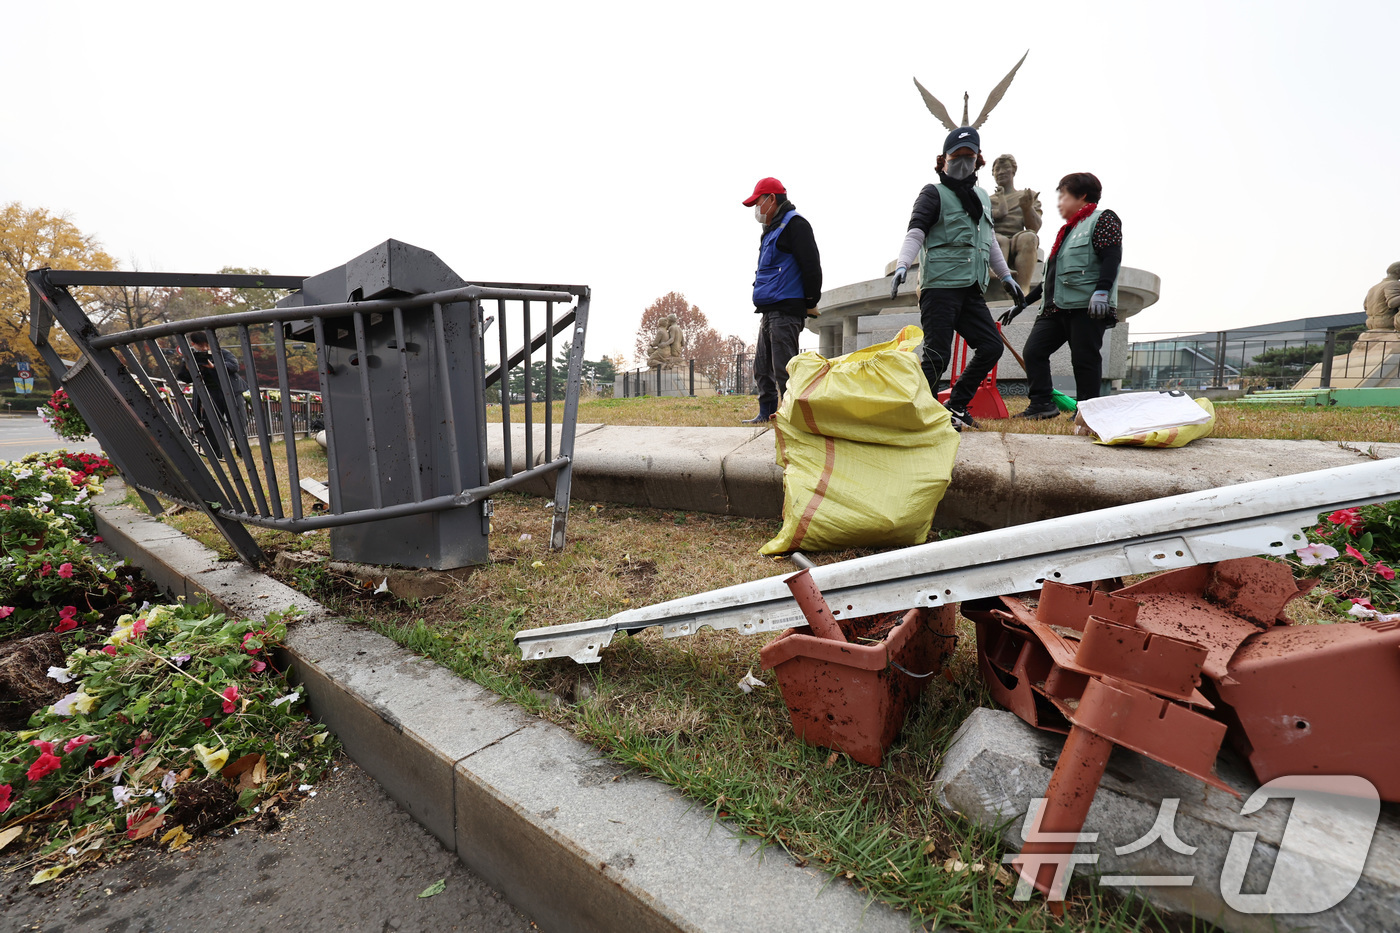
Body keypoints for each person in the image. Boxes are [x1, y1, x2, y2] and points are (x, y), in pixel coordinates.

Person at [890, 127, 1025, 430]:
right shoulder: (933, 193)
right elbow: (916, 231)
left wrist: (1006, 276)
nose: (964, 162)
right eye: (957, 156)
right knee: (938, 354)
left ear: (978, 160)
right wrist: (902, 265)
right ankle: (918, 415)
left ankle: (957, 405)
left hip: (970, 289)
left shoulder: (980, 197)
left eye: (970, 156)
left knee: (991, 346)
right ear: (944, 160)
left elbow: (988, 241)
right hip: (939, 287)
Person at [1008, 172, 1122, 420]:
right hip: (1054, 309)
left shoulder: (1102, 219)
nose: (1059, 202)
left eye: (1063, 195)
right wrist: (1022, 304)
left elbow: (1111, 257)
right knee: (1034, 352)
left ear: (1081, 196)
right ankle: (1042, 405)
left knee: (1084, 359)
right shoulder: (1067, 231)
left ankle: (1087, 412)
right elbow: (1050, 278)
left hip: (1086, 305)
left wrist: (1102, 291)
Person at [740, 177, 822, 424]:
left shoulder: (796, 225)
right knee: (762, 367)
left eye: (758, 202)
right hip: (769, 310)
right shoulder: (770, 230)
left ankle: (791, 418)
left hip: (787, 309)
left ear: (772, 199)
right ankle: (765, 413)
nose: (757, 208)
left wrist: (810, 300)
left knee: (784, 369)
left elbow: (811, 266)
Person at [175, 331, 248, 455]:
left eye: (206, 345)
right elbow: (184, 377)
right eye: (201, 345)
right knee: (211, 423)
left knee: (238, 421)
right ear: (193, 344)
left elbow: (234, 366)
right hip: (210, 393)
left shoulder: (221, 353)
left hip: (231, 391)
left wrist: (215, 366)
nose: (204, 348)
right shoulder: (191, 357)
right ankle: (216, 453)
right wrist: (188, 367)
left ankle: (243, 452)